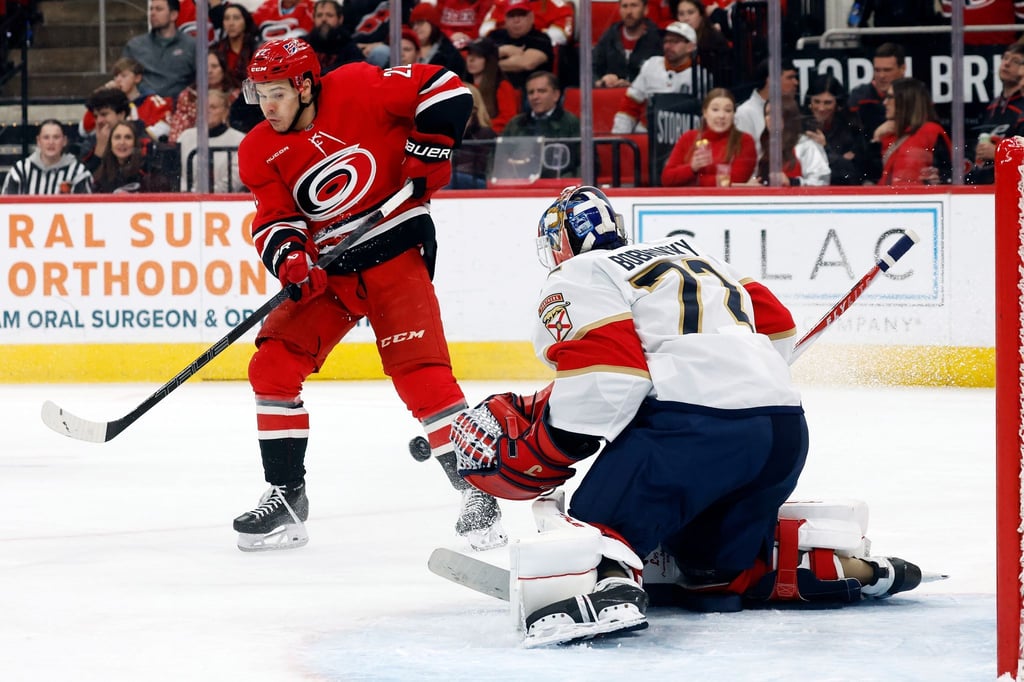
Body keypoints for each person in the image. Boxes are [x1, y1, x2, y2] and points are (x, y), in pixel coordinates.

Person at [449, 185, 923, 646]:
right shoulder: (695, 256)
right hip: (782, 433)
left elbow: (611, 378)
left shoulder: (581, 273)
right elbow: (778, 329)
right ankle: (828, 569)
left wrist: (552, 446)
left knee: (597, 527)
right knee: (708, 565)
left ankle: (607, 587)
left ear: (559, 242)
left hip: (695, 430)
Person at [232, 37, 506, 553]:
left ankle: (477, 492)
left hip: (393, 250)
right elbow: (274, 218)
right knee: (271, 367)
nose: (266, 106)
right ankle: (288, 500)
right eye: (259, 93)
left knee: (420, 375)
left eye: (276, 93)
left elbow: (445, 88)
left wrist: (429, 148)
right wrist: (292, 258)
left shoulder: (359, 85)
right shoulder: (258, 149)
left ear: (305, 84)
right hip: (330, 272)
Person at [610, 21, 708, 134]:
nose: (668, 46)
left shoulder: (703, 75)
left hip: (686, 134)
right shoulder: (651, 65)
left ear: (691, 47)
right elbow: (630, 105)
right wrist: (619, 139)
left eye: (675, 41)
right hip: (648, 133)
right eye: (666, 41)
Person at [661, 87, 756, 186]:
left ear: (733, 114)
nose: (721, 115)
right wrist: (692, 168)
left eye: (728, 110)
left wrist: (693, 181)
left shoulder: (744, 141)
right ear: (705, 112)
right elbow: (667, 178)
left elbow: (737, 179)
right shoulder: (688, 137)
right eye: (715, 109)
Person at [871, 77, 952, 186]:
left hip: (921, 199)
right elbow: (872, 175)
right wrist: (876, 139)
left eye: (890, 97)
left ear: (906, 100)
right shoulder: (887, 133)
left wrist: (938, 180)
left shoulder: (930, 131)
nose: (885, 102)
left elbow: (949, 173)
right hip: (888, 199)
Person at [501, 70, 580, 178]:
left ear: (556, 95)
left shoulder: (571, 123)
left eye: (541, 91)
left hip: (560, 187)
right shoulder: (515, 124)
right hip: (521, 185)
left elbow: (585, 164)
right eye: (531, 92)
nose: (535, 97)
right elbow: (499, 159)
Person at [966, 43, 1024, 186]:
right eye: (1005, 58)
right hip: (986, 184)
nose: (1007, 64)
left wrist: (998, 153)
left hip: (1014, 189)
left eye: (1015, 61)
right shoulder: (993, 105)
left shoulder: (1022, 105)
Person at [848, 42, 906, 182]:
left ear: (902, 69)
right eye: (877, 70)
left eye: (887, 70)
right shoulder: (859, 98)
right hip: (867, 172)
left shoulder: (916, 95)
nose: (881, 76)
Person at [79, 57, 173, 142]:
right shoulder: (109, 104)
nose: (118, 80)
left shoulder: (153, 101)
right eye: (116, 76)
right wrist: (101, 96)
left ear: (137, 78)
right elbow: (85, 128)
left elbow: (164, 129)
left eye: (124, 76)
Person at [122, 0, 197, 100]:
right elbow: (122, 76)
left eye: (159, 9)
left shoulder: (192, 46)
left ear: (173, 15)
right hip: (144, 107)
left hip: (179, 107)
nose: (152, 13)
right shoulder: (135, 46)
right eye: (151, 9)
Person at [802, 73, 868, 186]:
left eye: (827, 103)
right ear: (809, 102)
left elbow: (852, 172)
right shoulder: (799, 126)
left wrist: (825, 148)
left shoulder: (851, 128)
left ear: (838, 104)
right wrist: (839, 158)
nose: (821, 108)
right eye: (816, 102)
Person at [753, 95, 830, 187]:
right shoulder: (762, 145)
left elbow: (822, 181)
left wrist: (792, 182)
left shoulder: (806, 145)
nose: (770, 118)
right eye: (767, 113)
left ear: (788, 116)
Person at [178, 89, 247, 192]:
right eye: (202, 107)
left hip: (224, 202)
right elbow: (177, 176)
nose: (207, 111)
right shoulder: (185, 137)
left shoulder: (240, 140)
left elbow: (235, 180)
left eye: (213, 107)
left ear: (225, 111)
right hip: (187, 202)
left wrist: (209, 195)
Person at [1, 119, 93, 195]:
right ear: (38, 141)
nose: (51, 142)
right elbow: (6, 206)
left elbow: (86, 208)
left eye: (56, 137)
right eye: (46, 137)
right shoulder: (21, 170)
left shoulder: (78, 173)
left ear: (64, 141)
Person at [168, 51, 241, 144]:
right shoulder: (187, 96)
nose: (209, 71)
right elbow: (176, 134)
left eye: (214, 66)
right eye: (205, 67)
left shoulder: (236, 96)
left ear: (223, 69)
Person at [733, 57, 799, 158]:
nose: (796, 83)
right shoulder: (745, 113)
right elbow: (745, 156)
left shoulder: (792, 108)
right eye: (790, 77)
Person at [591, 0, 663, 89]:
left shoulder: (657, 39)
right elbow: (591, 67)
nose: (629, 12)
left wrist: (634, 86)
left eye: (634, 6)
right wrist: (600, 82)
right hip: (612, 95)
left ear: (645, 10)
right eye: (624, 6)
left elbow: (662, 78)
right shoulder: (610, 36)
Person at [78, 87, 151, 174]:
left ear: (121, 114)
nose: (99, 121)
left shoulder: (142, 139)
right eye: (96, 116)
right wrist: (99, 150)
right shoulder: (90, 143)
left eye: (104, 114)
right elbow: (85, 178)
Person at [487, 0, 554, 93]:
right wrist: (505, 50)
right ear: (505, 19)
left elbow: (526, 63)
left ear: (531, 18)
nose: (516, 20)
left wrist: (490, 64)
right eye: (512, 16)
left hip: (529, 91)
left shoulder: (541, 38)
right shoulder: (495, 36)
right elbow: (478, 58)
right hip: (495, 89)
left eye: (521, 15)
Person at [91, 121, 169, 193]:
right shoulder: (100, 176)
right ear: (110, 143)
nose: (122, 142)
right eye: (117, 137)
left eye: (128, 137)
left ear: (135, 143)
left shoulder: (148, 173)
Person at [463, 36, 520, 133]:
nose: (471, 59)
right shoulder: (463, 86)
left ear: (490, 60)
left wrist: (481, 127)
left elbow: (508, 120)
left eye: (478, 56)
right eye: (470, 54)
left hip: (489, 139)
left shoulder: (502, 86)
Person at [448, 84, 497, 189]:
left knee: (451, 178)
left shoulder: (486, 134)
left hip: (478, 181)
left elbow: (481, 168)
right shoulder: (444, 132)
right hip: (452, 178)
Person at [674, 0, 728, 86]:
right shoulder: (674, 40)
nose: (686, 18)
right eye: (681, 14)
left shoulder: (714, 39)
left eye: (690, 13)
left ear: (701, 15)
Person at [480, 0, 575, 49]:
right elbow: (484, 31)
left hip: (540, 52)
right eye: (512, 16)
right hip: (504, 47)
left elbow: (560, 35)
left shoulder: (558, 5)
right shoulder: (502, 3)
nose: (516, 20)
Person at [303, 0, 364, 74]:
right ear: (313, 18)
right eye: (319, 15)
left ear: (340, 19)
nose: (324, 19)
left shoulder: (350, 49)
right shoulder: (303, 45)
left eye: (329, 15)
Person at [410, 2, 467, 79]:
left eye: (420, 22)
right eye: (413, 24)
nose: (415, 28)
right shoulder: (409, 48)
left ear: (432, 23)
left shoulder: (449, 54)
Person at [212, 2, 261, 85]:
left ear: (245, 21)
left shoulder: (257, 49)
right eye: (227, 18)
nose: (231, 23)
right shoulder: (216, 50)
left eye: (236, 18)